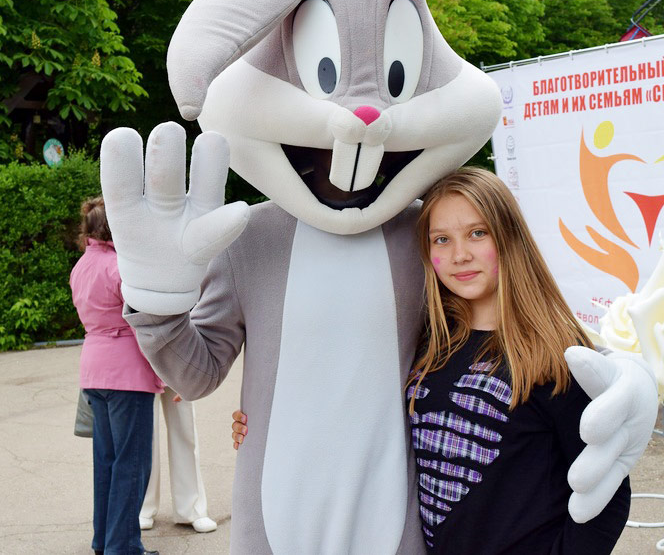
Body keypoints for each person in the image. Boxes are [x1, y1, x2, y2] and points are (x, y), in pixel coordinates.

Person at [233, 168, 630, 553]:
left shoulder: (554, 352)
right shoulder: (433, 343)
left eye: (477, 233)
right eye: (442, 239)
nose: (460, 255)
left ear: (509, 236)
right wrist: (263, 421)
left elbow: (608, 491)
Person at [71, 197, 161, 555]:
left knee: (106, 461)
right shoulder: (121, 268)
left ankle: (104, 540)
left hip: (94, 370)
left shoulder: (81, 267)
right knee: (132, 462)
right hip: (127, 372)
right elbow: (145, 319)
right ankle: (122, 546)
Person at [138, 390, 218, 534]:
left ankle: (192, 508)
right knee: (146, 429)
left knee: (185, 426)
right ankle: (143, 506)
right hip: (143, 374)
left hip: (180, 375)